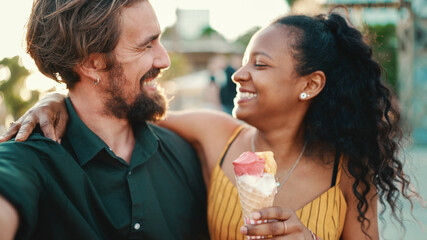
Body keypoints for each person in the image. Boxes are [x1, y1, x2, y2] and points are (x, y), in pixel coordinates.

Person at [2, 10, 419, 240]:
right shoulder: (213, 134)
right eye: (243, 61)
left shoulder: (346, 168)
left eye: (260, 64)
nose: (239, 75)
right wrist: (54, 97)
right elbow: (115, 107)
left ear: (310, 85)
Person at [0, 0, 209, 239]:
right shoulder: (29, 160)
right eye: (146, 46)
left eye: (158, 40)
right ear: (92, 63)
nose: (164, 60)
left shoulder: (185, 152)